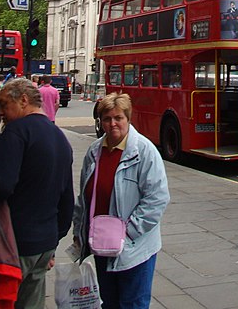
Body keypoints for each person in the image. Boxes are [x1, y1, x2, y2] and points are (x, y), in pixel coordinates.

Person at [0, 78, 73, 309]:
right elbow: (67, 198)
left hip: (13, 242)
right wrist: (55, 238)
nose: (0, 111)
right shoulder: (60, 138)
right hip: (44, 244)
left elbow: (0, 185)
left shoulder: (16, 132)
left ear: (23, 100)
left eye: (3, 104)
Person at [73, 93, 170, 309]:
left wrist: (127, 232)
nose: (113, 123)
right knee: (109, 302)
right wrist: (79, 230)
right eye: (107, 119)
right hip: (101, 243)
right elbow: (83, 196)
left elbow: (157, 198)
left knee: (133, 303)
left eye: (118, 118)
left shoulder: (144, 151)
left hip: (133, 247)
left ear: (128, 118)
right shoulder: (94, 151)